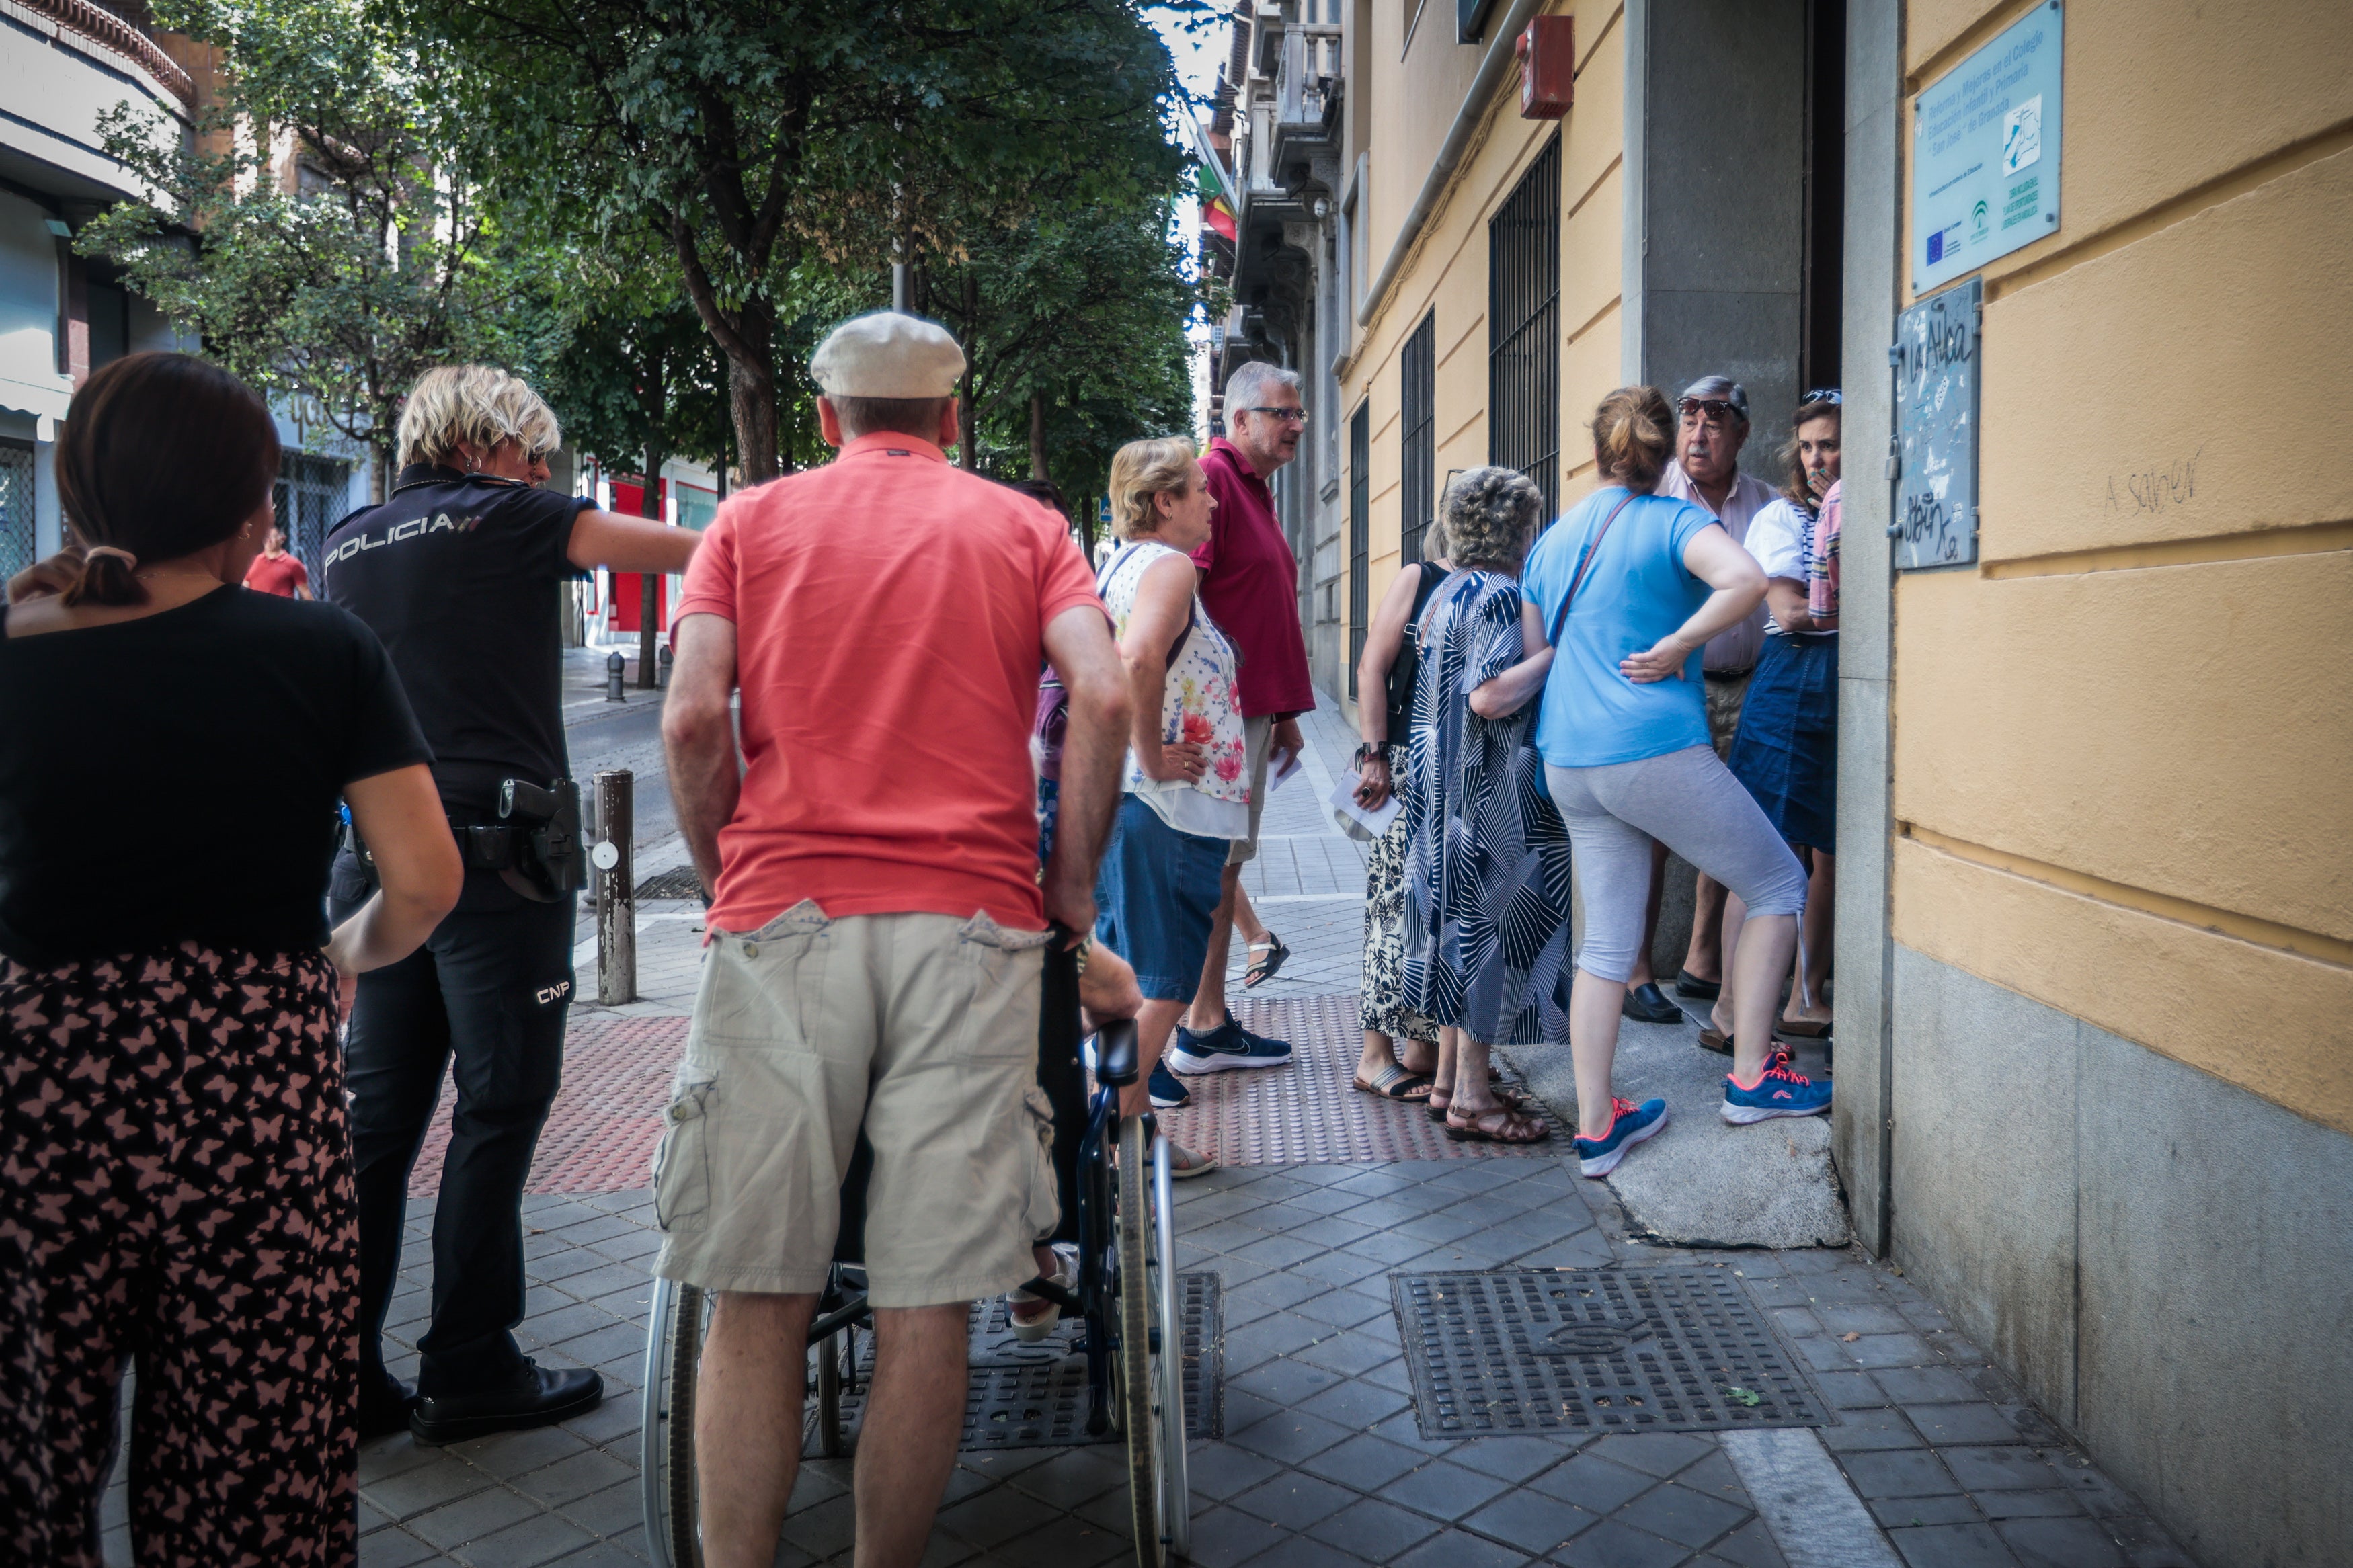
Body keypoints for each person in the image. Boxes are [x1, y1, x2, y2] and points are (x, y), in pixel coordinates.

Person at [657, 311, 1129, 1568]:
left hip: (785, 919)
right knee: (929, 1301)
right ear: (955, 420)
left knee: (757, 1295)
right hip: (970, 925)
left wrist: (729, 875)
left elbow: (695, 717)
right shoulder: (1028, 528)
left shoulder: (746, 526)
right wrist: (1069, 887)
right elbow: (1109, 688)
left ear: (824, 417)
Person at [0, 353, 461, 1563]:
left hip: (35, 1097)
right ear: (250, 504)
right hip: (252, 1091)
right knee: (254, 1481)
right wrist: (333, 956)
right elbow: (424, 882)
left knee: (27, 1459)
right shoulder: (321, 653)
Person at [324, 364, 702, 1444]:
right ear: (483, 442)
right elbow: (689, 551)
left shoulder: (348, 538)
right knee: (498, 1109)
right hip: (499, 869)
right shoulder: (515, 517)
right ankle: (472, 1363)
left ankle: (345, 1376)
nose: (544, 473)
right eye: (532, 452)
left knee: (379, 1127)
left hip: (380, 869)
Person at [1522, 386, 1832, 1179]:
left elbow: (1537, 645)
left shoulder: (1556, 535)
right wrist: (1674, 644)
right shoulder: (1675, 520)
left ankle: (1598, 1126)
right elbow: (1746, 581)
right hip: (1649, 745)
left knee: (1609, 941)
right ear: (1665, 453)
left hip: (1568, 756)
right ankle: (1755, 1076)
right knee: (1776, 882)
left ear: (1598, 450)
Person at [1398, 468, 1566, 1144]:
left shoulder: (1446, 593)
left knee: (1448, 928)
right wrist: (1557, 653)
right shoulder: (1499, 594)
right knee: (1484, 933)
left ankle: (1446, 1081)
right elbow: (1490, 695)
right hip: (1486, 788)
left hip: (1442, 790)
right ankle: (1472, 1097)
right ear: (1517, 529)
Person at [1088, 435, 1240, 1171]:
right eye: (1198, 490)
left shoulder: (1118, 563)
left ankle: (1136, 1126)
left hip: (1137, 802)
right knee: (1167, 979)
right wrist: (1150, 756)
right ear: (1162, 502)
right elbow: (1139, 654)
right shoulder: (1169, 566)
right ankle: (1107, 1129)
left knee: (1129, 979)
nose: (1211, 500)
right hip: (1166, 806)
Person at [1170, 359, 1315, 1076]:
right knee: (1211, 871)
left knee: (1223, 871)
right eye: (1282, 413)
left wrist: (1284, 713)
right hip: (1216, 717)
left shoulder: (1252, 487)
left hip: (1249, 711)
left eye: (1297, 413)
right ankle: (1195, 1024)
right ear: (1240, 421)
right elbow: (1180, 598)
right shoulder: (1214, 482)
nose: (1295, 425)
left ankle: (1206, 1018)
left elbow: (1256, 610)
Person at [1621, 375, 1780, 1021]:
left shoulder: (1768, 505)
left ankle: (1702, 957)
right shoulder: (1653, 499)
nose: (1699, 431)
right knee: (1652, 830)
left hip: (1749, 685)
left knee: (1733, 821)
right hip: (1672, 684)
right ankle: (1636, 972)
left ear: (1741, 433)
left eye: (1716, 419)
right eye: (1689, 417)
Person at [1711, 393, 1843, 1052]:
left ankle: (1804, 995)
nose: (1817, 459)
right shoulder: (1780, 518)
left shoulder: (1850, 511)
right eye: (1809, 445)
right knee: (1769, 852)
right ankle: (1730, 1010)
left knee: (1828, 851)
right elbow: (1790, 612)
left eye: (1830, 444)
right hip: (1792, 680)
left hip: (1836, 684)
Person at [1348, 527, 1449, 1101]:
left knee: (1432, 913)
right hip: (1405, 764)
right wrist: (1375, 756)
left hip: (1451, 770)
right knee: (1391, 905)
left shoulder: (1505, 582)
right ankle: (1373, 1055)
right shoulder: (1420, 576)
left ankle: (1420, 1049)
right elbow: (1371, 668)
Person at [243, 524, 313, 597]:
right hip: (255, 608)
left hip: (282, 608)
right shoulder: (253, 561)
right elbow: (245, 587)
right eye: (266, 536)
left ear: (282, 539)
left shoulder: (293, 564)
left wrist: (313, 609)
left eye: (273, 537)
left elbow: (305, 593)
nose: (269, 540)